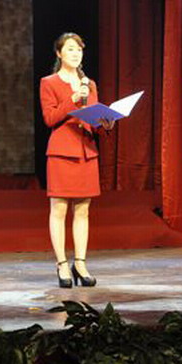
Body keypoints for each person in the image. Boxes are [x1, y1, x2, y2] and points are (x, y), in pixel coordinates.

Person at [40, 33, 113, 288]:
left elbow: (93, 119)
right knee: (59, 209)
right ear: (59, 53)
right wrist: (71, 100)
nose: (75, 53)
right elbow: (50, 119)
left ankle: (80, 263)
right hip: (62, 151)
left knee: (83, 210)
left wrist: (105, 123)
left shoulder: (89, 84)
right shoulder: (48, 82)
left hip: (86, 150)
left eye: (79, 49)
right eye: (70, 49)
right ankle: (62, 264)